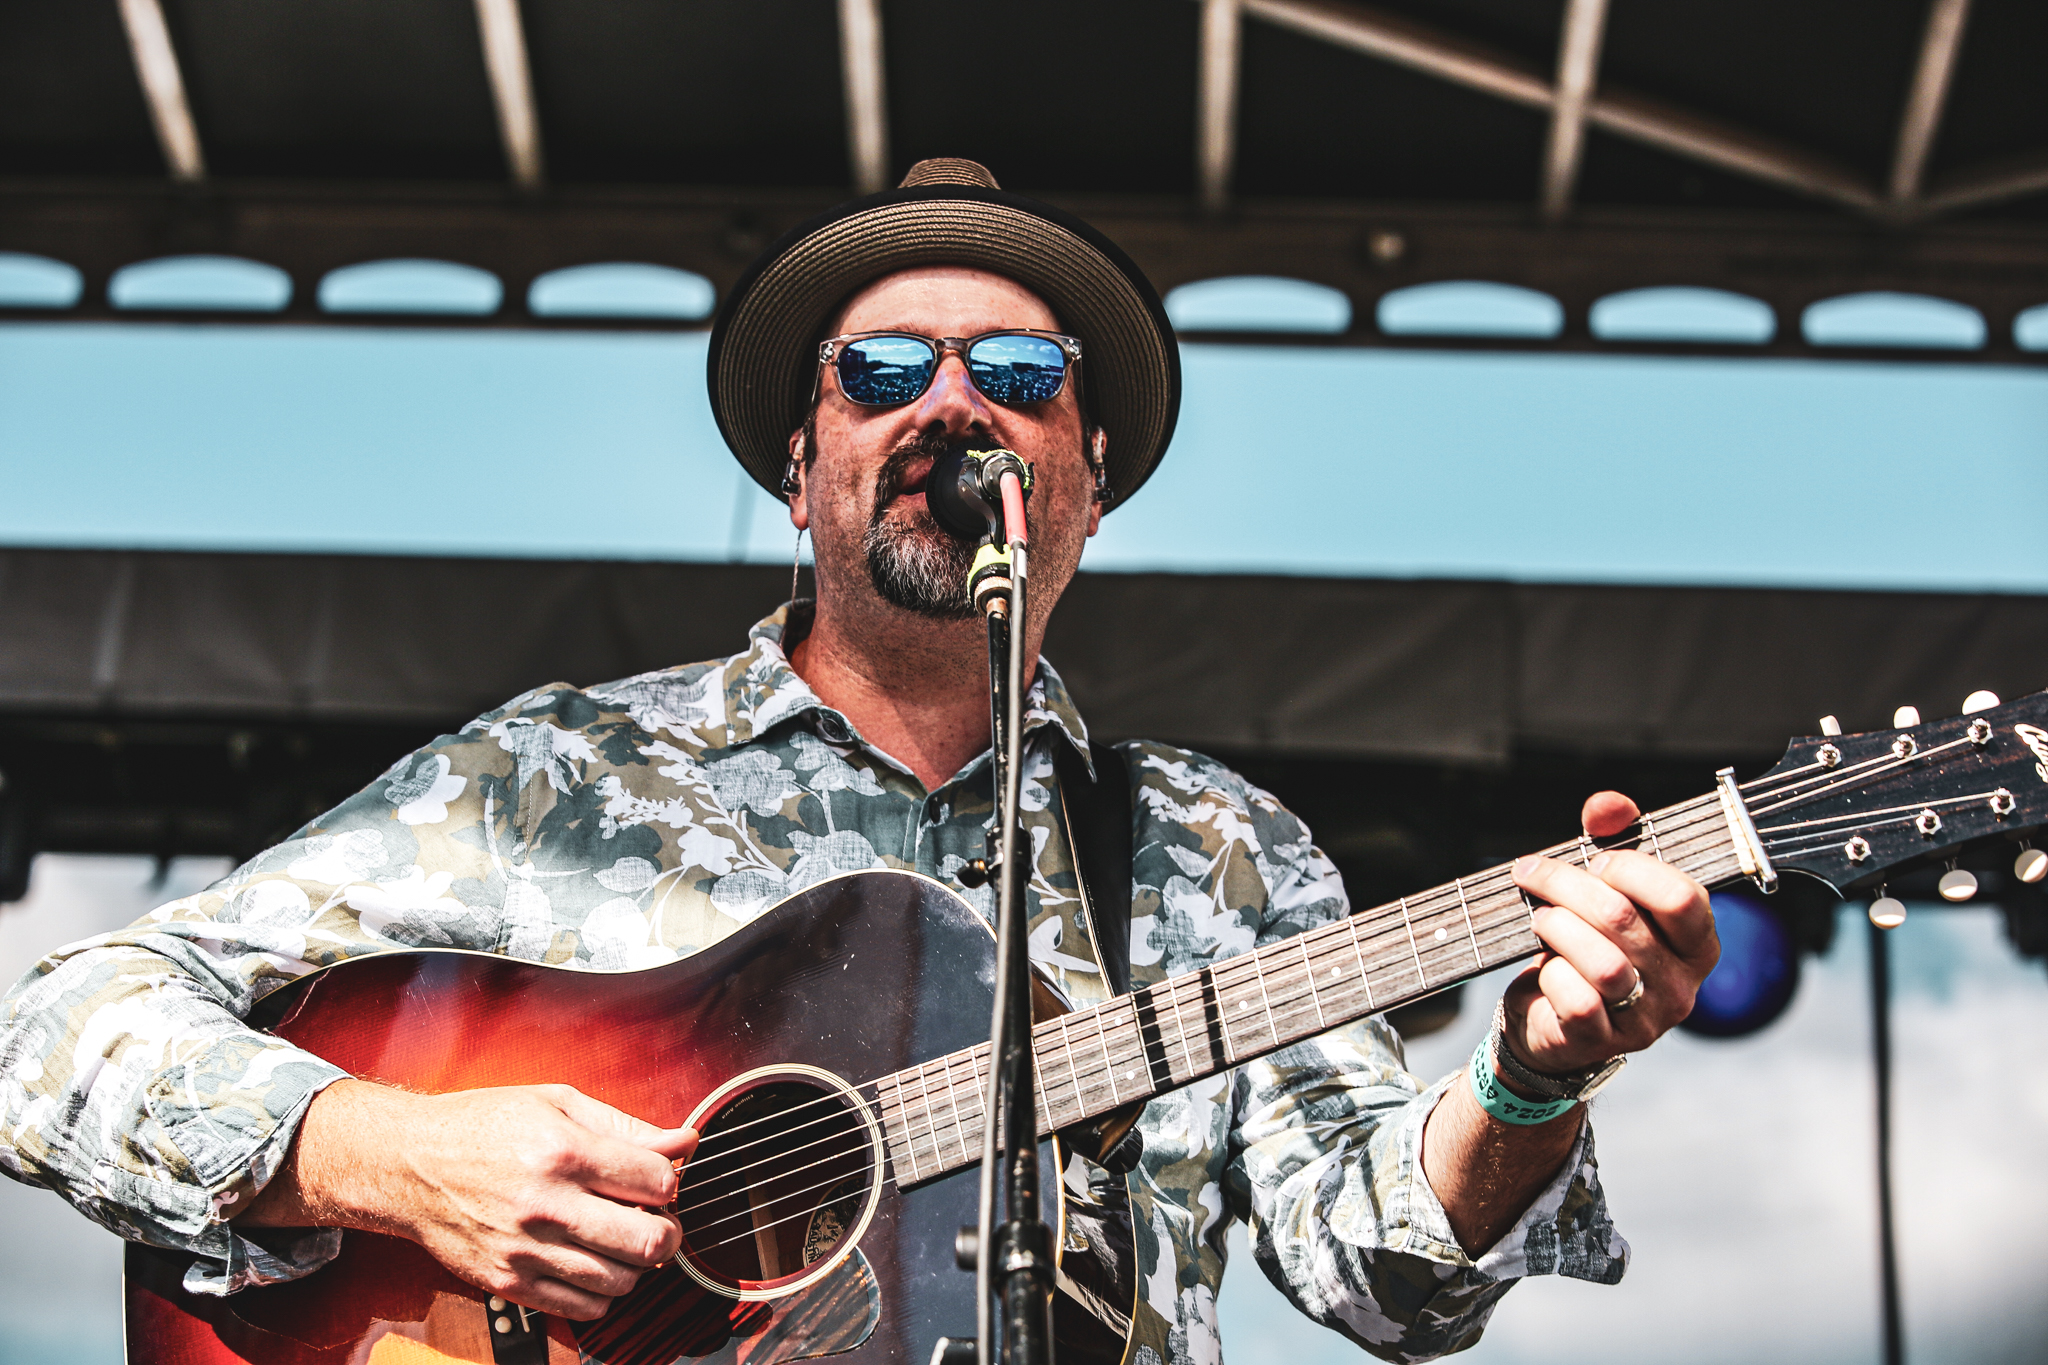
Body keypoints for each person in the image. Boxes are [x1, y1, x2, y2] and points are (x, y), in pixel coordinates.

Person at [0, 159, 1717, 1364]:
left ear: (1087, 478)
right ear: (803, 468)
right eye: (884, 370)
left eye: (1020, 372)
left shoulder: (1214, 851)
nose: (951, 404)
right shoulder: (556, 777)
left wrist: (1531, 1077)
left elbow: (1385, 1277)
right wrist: (390, 1152)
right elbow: (51, 1030)